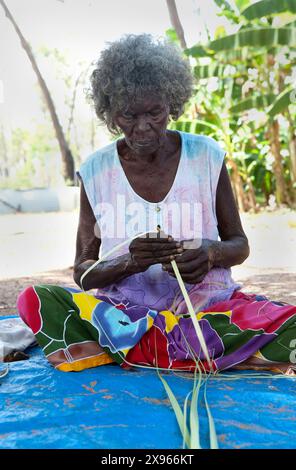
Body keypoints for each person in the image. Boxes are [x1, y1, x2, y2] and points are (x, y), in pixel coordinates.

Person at [17, 34, 296, 374]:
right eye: (128, 116)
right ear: (110, 113)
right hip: (124, 315)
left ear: (172, 104)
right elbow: (84, 273)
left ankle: (138, 351)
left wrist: (210, 254)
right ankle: (191, 352)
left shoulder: (207, 157)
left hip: (207, 311)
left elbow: (240, 244)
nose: (143, 127)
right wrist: (130, 262)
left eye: (155, 112)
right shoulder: (95, 171)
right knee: (36, 300)